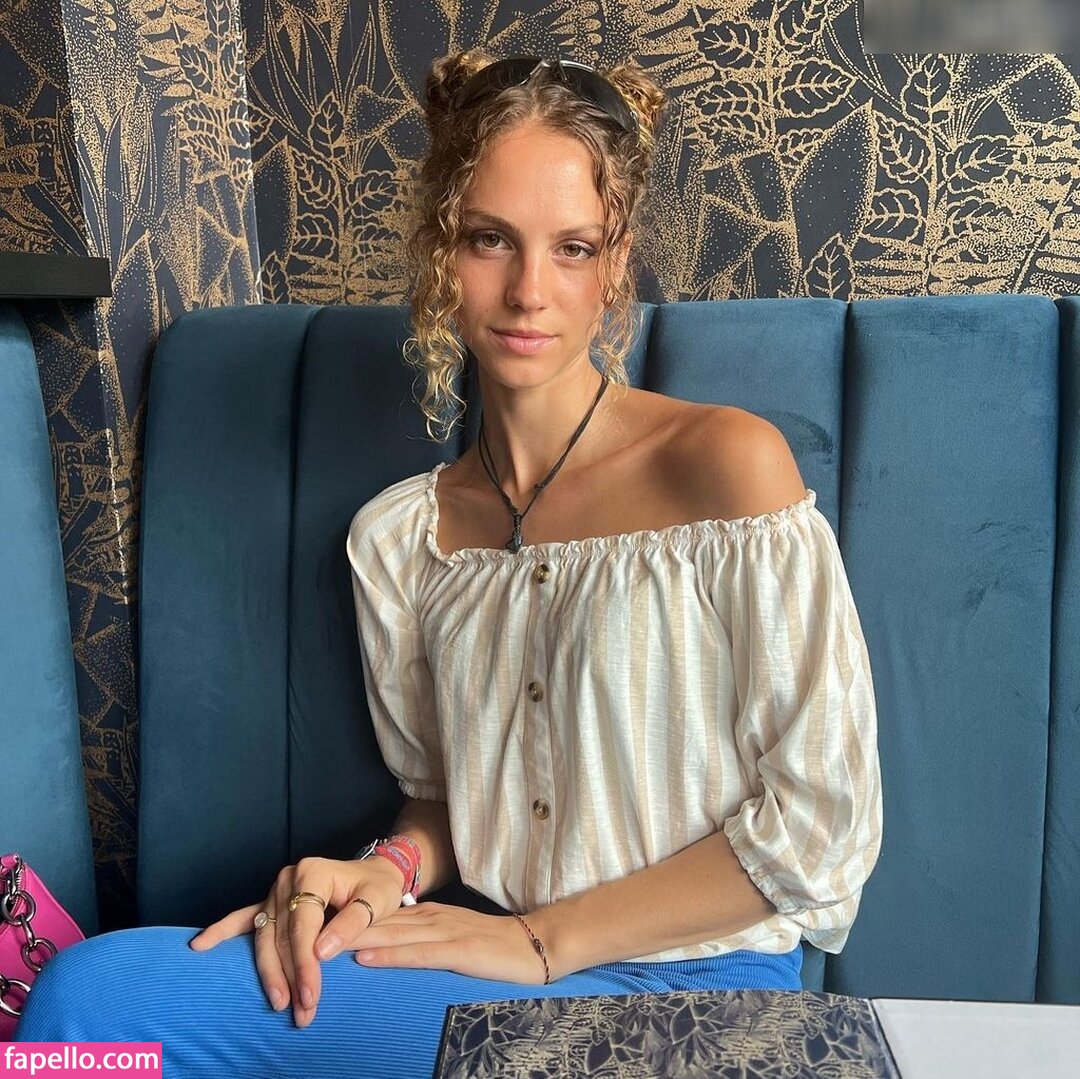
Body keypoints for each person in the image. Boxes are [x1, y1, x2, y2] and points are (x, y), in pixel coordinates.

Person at [15, 51, 882, 1076]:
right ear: (440, 245)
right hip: (500, 968)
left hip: (698, 987)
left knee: (90, 1009)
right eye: (489, 239)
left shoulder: (726, 466)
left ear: (616, 263)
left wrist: (541, 940)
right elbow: (449, 801)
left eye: (572, 247)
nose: (528, 291)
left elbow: (823, 826)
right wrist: (382, 871)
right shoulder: (402, 540)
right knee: (92, 1001)